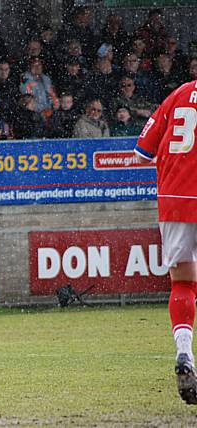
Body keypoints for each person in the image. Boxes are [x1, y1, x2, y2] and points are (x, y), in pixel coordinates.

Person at [133, 79, 197, 405]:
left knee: (183, 283)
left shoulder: (179, 95)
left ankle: (185, 352)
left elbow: (141, 154)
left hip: (175, 202)